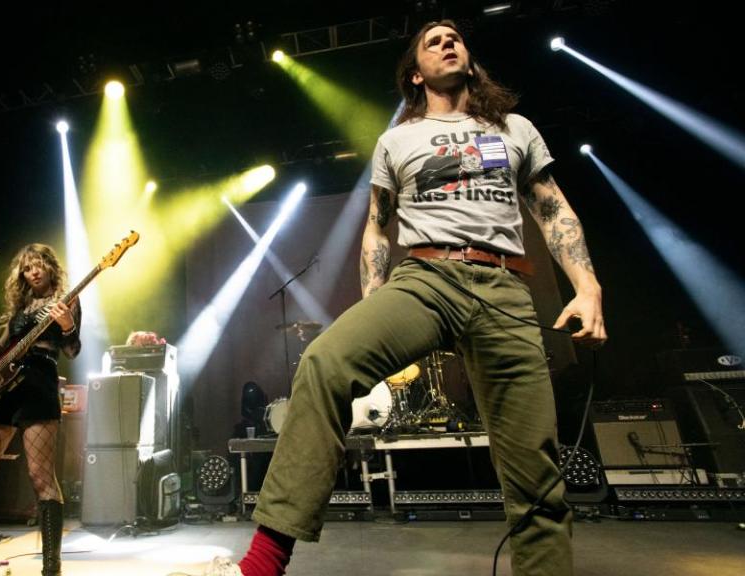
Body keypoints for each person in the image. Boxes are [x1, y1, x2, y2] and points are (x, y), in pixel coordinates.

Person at [177, 19, 607, 576]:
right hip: (426, 277)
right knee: (326, 362)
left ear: (470, 61)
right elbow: (378, 229)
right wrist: (374, 303)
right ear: (414, 72)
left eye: (456, 38)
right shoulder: (397, 140)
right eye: (433, 40)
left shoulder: (515, 129)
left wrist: (588, 286)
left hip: (503, 288)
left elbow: (553, 209)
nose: (448, 42)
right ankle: (262, 565)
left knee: (536, 474)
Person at [0, 244, 81, 576]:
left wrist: (68, 325)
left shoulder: (67, 299)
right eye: (28, 268)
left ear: (51, 267)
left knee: (41, 477)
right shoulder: (21, 306)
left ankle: (51, 569)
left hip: (39, 384)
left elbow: (72, 349)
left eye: (40, 264)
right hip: (3, 389)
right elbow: (2, 345)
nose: (34, 271)